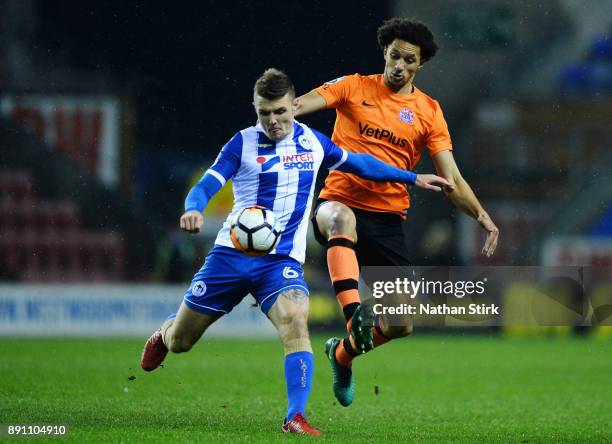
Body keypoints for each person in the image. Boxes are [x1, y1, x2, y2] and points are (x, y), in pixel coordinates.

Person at [140, 68, 451, 435]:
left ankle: (295, 416)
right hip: (230, 256)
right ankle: (164, 333)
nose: (273, 121)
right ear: (255, 110)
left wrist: (413, 177)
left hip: (280, 262)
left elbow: (361, 164)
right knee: (182, 342)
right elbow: (208, 183)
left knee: (296, 321)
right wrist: (193, 208)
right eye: (264, 113)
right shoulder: (241, 143)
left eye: (280, 112)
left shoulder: (313, 143)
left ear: (293, 106)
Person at [294, 17, 500, 406]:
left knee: (402, 323)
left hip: (388, 219)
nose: (399, 65)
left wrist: (481, 216)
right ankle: (355, 315)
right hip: (337, 201)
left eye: (408, 59)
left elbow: (450, 177)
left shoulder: (428, 112)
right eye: (394, 56)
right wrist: (279, 111)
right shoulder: (353, 86)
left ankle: (342, 354)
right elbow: (303, 103)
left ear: (419, 64)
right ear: (384, 54)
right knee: (341, 220)